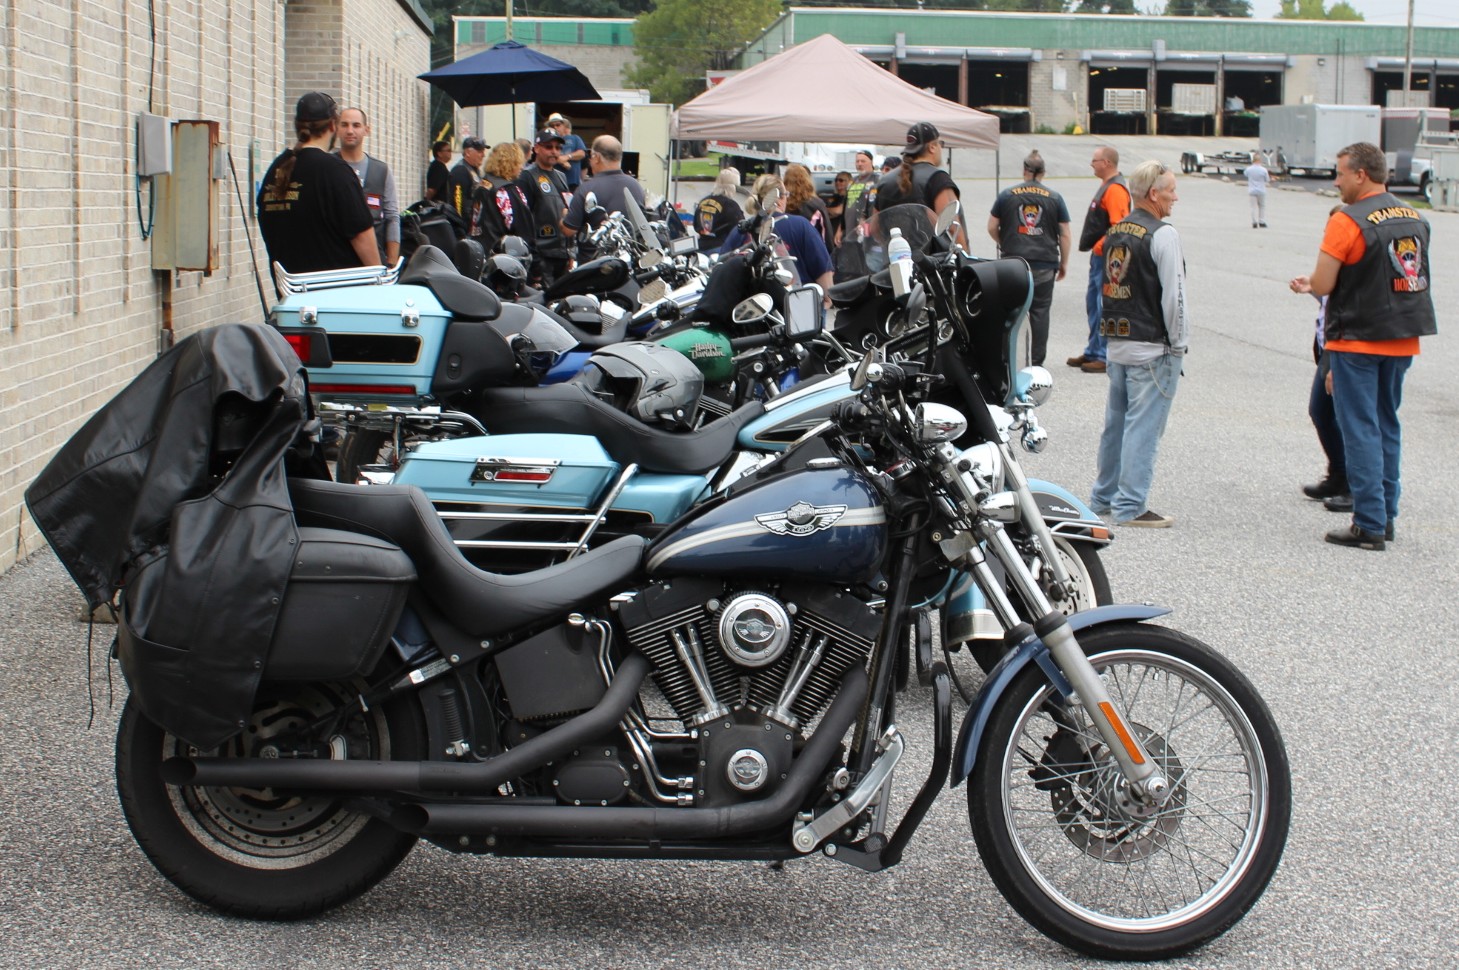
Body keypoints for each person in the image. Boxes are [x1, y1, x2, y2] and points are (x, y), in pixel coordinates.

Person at [1289, 142, 1437, 551]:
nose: (1336, 182)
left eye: (1340, 173)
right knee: (1386, 424)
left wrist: (1314, 283)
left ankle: (1368, 523)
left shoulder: (1347, 220)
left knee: (1359, 429)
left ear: (1361, 174)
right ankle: (1385, 515)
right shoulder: (1416, 216)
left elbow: (1324, 284)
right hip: (1402, 334)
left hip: (1357, 337)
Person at [1088, 160, 1189, 529]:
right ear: (1154, 194)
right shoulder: (1163, 234)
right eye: (1171, 190)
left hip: (1118, 340)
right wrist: (1178, 344)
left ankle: (1103, 496)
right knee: (1143, 427)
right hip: (1151, 345)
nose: (1175, 197)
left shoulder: (1116, 231)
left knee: (1116, 425)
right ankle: (1130, 504)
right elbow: (1174, 296)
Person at [257, 91, 379, 280]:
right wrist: (380, 282)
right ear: (332, 125)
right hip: (335, 293)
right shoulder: (336, 171)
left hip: (290, 294)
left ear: (297, 125)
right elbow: (363, 239)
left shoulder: (276, 169)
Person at [987, 149, 1070, 367]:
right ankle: (1036, 362)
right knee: (1040, 312)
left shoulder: (1006, 195)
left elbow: (992, 226)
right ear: (1043, 172)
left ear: (1024, 170)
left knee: (1010, 311)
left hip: (1013, 263)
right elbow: (1065, 234)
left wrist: (1004, 242)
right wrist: (1063, 262)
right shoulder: (1055, 198)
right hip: (1044, 263)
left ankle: (1007, 360)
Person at [1292, 206, 1348, 509]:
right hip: (1328, 344)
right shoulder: (1335, 258)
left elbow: (1350, 305)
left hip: (1342, 345)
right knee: (1323, 412)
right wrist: (1312, 288)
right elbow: (1331, 297)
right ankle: (1338, 473)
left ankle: (1352, 482)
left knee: (1341, 416)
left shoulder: (1352, 259)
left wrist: (1338, 360)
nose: (1328, 233)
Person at [1067, 146, 1131, 375]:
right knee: (1093, 304)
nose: (1091, 164)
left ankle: (1104, 355)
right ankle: (1093, 350)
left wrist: (1100, 246)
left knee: (1102, 305)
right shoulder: (1107, 186)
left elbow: (1120, 227)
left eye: (1094, 161)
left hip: (1107, 258)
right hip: (1099, 257)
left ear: (1106, 163)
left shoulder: (1115, 190)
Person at [719, 173, 833, 299]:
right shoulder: (801, 226)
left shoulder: (741, 229)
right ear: (779, 198)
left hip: (751, 303)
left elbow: (722, 268)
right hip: (796, 300)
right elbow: (823, 270)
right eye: (786, 195)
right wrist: (827, 299)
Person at [874, 122, 964, 247]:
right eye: (940, 144)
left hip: (893, 256)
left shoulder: (884, 181)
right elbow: (952, 228)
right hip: (931, 258)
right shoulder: (938, 178)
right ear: (932, 147)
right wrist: (965, 254)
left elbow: (875, 228)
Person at [334, 107, 400, 265]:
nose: (350, 131)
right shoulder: (328, 167)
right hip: (337, 262)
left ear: (366, 130)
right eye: (344, 125)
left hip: (375, 262)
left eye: (356, 125)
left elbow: (392, 216)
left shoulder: (381, 170)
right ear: (336, 128)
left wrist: (391, 262)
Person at [562, 135, 647, 252]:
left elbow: (568, 230)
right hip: (629, 257)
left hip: (595, 259)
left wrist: (563, 215)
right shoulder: (636, 186)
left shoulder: (586, 188)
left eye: (591, 157)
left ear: (596, 157)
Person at [517, 128, 574, 287]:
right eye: (549, 147)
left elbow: (567, 212)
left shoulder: (561, 176)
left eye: (558, 148)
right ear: (536, 148)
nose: (554, 151)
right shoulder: (526, 176)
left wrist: (570, 251)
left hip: (562, 254)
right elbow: (523, 221)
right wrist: (534, 260)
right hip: (541, 255)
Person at [472, 141, 535, 254]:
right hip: (504, 254)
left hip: (479, 251)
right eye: (518, 163)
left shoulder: (482, 185)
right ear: (509, 163)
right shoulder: (507, 191)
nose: (521, 167)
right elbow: (523, 229)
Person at [692, 168, 745, 253]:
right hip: (720, 248)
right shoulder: (730, 205)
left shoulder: (703, 201)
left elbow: (695, 224)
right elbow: (740, 230)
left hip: (700, 246)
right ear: (734, 186)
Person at [782, 163, 831, 249]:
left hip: (786, 250)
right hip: (810, 249)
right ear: (807, 180)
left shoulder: (781, 203)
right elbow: (826, 235)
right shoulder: (817, 204)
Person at [446, 136, 486, 219]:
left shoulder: (474, 170)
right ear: (468, 152)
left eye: (483, 151)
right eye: (479, 151)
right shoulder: (460, 171)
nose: (483, 155)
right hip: (464, 222)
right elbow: (458, 204)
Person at [546, 113, 587, 191]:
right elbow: (545, 156)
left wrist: (567, 157)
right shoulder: (547, 142)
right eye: (552, 126)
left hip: (573, 183)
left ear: (563, 126)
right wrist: (561, 161)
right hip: (555, 182)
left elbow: (582, 154)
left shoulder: (575, 138)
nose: (555, 127)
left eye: (558, 125)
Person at [1245, 153, 1270, 228]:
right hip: (1261, 190)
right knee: (1261, 206)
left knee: (1253, 207)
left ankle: (1254, 222)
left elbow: (1246, 175)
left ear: (1253, 160)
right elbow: (1267, 179)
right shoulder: (1263, 170)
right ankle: (1261, 221)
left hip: (1252, 190)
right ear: (1259, 160)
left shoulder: (1249, 169)